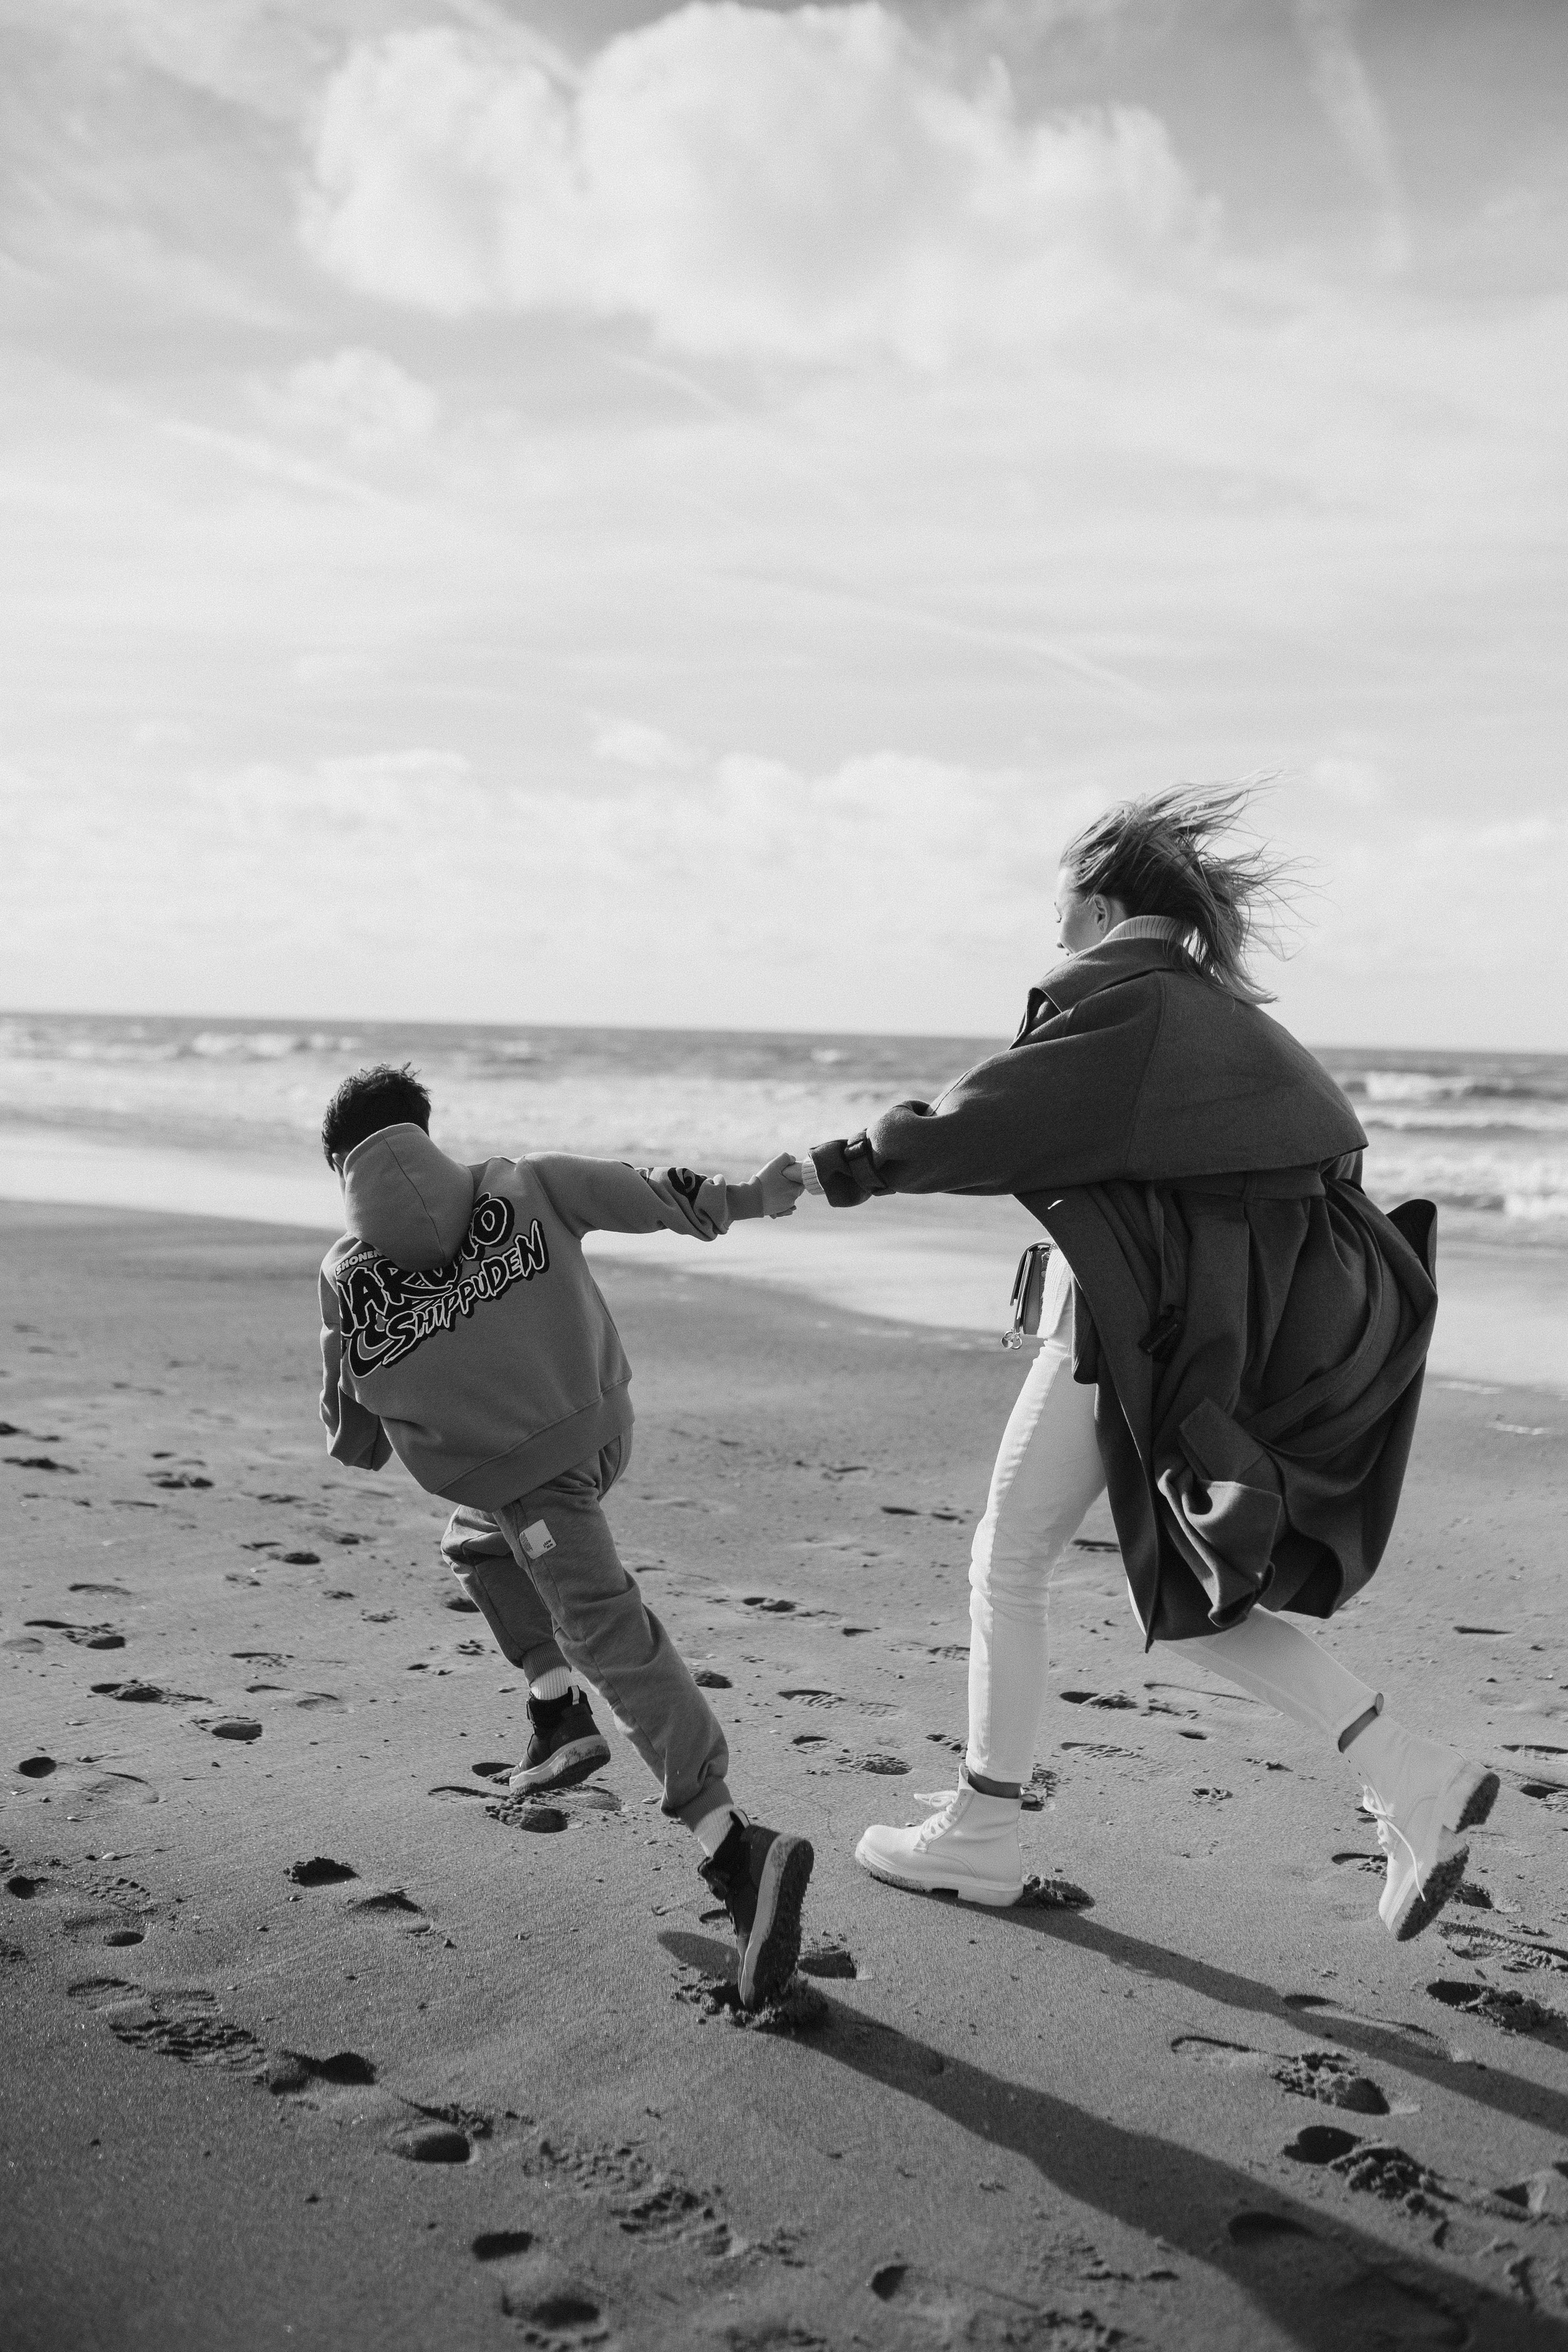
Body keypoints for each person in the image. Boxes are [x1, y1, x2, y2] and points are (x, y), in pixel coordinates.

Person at [800, 785, 1495, 1942]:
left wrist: (845, 1165)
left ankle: (982, 1828)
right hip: (1221, 1338)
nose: (1052, 913)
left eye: (1063, 889)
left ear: (1106, 899)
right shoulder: (1231, 1021)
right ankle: (1405, 1769)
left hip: (1136, 1336)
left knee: (1013, 1556)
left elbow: (983, 1123)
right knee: (1185, 1584)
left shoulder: (1123, 1004)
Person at [317, 1061, 813, 2007]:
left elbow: (356, 1441)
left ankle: (735, 1847)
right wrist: (751, 1195)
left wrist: (375, 1349)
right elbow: (647, 1191)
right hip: (600, 1431)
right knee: (475, 1544)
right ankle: (557, 1715)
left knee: (606, 1632)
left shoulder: (350, 1276)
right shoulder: (524, 1181)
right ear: (427, 1130)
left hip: (533, 1491)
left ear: (340, 1170)